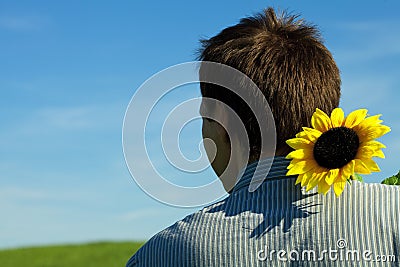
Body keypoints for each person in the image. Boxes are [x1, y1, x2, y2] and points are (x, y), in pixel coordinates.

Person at [126, 8, 399, 266]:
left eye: (203, 117)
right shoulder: (392, 215)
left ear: (221, 119)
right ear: (331, 121)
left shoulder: (161, 255)